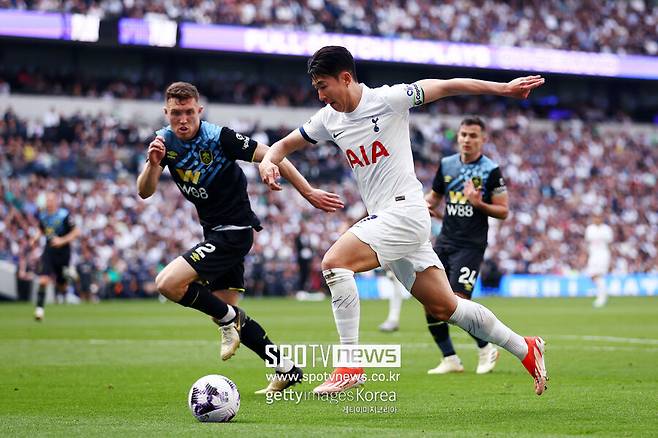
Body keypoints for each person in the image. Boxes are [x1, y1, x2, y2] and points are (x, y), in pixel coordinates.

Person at [259, 46, 548, 396]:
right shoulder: (328, 119)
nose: (320, 96)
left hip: (405, 212)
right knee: (445, 306)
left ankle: (349, 365)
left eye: (323, 86)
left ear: (345, 78)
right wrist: (269, 161)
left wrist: (503, 88)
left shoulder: (389, 99)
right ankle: (525, 347)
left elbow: (447, 85)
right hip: (388, 218)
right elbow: (283, 145)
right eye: (316, 88)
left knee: (334, 264)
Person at [136, 81, 344, 393]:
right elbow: (145, 191)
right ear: (166, 113)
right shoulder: (163, 143)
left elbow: (273, 155)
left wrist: (308, 191)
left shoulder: (219, 137)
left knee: (167, 283)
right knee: (224, 311)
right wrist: (153, 165)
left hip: (234, 233)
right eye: (176, 113)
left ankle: (228, 321)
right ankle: (285, 368)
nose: (183, 119)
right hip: (214, 233)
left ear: (199, 111)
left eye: (189, 112)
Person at [424, 116, 508, 375]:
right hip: (444, 241)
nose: (467, 140)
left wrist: (479, 204)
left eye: (473, 135)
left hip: (470, 245)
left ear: (483, 139)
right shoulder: (447, 165)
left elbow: (503, 211)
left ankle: (486, 348)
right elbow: (434, 198)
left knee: (457, 302)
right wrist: (421, 207)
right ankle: (450, 358)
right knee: (429, 298)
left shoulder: (490, 170)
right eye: (463, 135)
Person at [30, 192, 80, 320]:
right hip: (49, 250)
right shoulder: (43, 215)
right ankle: (39, 310)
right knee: (43, 280)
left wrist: (62, 240)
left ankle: (68, 283)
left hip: (63, 252)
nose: (49, 203)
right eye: (48, 200)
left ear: (56, 201)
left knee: (61, 285)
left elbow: (76, 232)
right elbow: (41, 229)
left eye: (51, 200)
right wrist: (35, 238)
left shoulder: (64, 215)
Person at [585, 213, 614, 308]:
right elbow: (588, 243)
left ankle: (601, 298)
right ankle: (603, 293)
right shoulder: (590, 229)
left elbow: (610, 244)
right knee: (591, 275)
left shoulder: (606, 229)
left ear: (601, 218)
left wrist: (611, 258)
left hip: (603, 254)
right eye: (595, 217)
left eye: (598, 217)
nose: (597, 219)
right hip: (593, 254)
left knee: (598, 275)